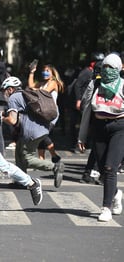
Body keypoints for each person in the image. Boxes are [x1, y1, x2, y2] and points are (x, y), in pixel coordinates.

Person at [77, 53, 123, 222]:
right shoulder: (95, 84)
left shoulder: (123, 85)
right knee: (104, 171)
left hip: (119, 129)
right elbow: (86, 112)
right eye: (105, 66)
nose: (107, 70)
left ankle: (106, 208)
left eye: (111, 67)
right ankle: (116, 193)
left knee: (111, 168)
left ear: (119, 69)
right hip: (99, 129)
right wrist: (81, 137)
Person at [2, 76, 64, 188]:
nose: (4, 93)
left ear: (10, 89)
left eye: (5, 90)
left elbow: (12, 120)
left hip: (31, 131)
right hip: (42, 128)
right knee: (19, 153)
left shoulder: (13, 98)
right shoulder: (26, 94)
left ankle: (55, 167)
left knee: (27, 159)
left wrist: (1, 118)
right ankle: (21, 181)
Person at [28, 63, 64, 165]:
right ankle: (41, 159)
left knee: (42, 134)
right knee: (41, 134)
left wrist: (35, 90)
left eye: (48, 71)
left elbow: (43, 92)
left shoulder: (53, 83)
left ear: (53, 73)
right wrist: (32, 72)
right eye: (44, 70)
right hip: (43, 112)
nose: (45, 73)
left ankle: (54, 155)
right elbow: (31, 86)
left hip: (52, 113)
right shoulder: (42, 83)